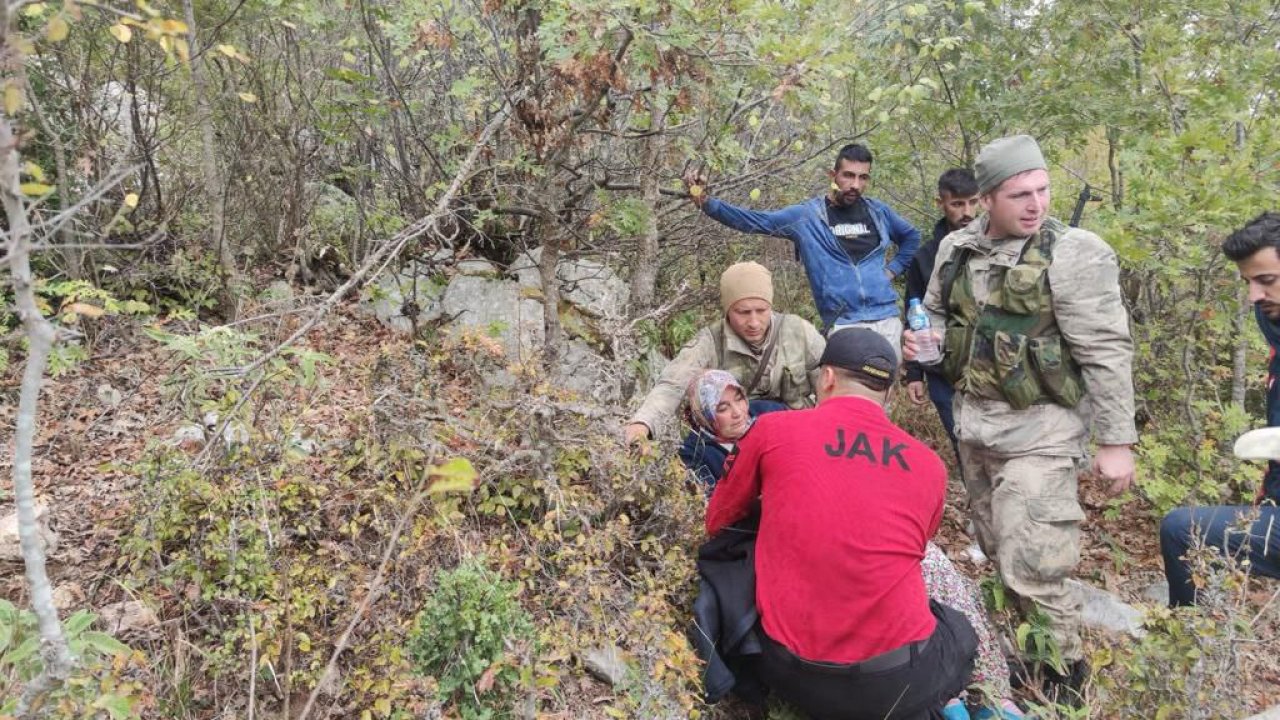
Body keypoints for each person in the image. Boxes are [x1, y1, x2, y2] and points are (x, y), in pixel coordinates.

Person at [906, 135, 1138, 696]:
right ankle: (1026, 667)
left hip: (1043, 430)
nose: (1036, 204)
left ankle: (1063, 688)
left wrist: (1116, 441)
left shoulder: (1074, 252)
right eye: (1019, 194)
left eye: (1042, 189)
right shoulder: (956, 249)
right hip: (975, 426)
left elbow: (1106, 349)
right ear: (986, 199)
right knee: (999, 553)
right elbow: (935, 315)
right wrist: (924, 347)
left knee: (1035, 563)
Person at [706, 328, 978, 720]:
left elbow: (718, 519)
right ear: (888, 393)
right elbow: (916, 547)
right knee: (959, 631)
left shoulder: (773, 430)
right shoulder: (930, 466)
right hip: (899, 679)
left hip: (792, 673)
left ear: (828, 377)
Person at [685, 144, 920, 354]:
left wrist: (892, 270)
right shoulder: (807, 217)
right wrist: (705, 201)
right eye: (848, 176)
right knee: (849, 398)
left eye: (863, 178)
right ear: (833, 175)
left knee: (882, 400)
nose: (855, 185)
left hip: (887, 320)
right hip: (844, 323)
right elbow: (754, 221)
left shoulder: (878, 212)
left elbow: (912, 236)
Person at [1161, 212, 1280, 606]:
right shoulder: (1272, 316)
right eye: (1248, 282)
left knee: (1182, 529)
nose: (1254, 296)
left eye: (1266, 281)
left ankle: (1187, 640)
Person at [623, 262, 824, 445]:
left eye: (761, 311)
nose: (754, 322)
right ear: (727, 310)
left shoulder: (800, 331)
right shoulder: (709, 341)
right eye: (743, 312)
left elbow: (833, 384)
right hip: (738, 442)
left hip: (800, 433)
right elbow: (672, 384)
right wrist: (643, 424)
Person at [903, 168, 981, 452]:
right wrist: (914, 374)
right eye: (957, 204)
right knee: (963, 444)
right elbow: (913, 312)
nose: (967, 212)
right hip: (942, 370)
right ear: (941, 203)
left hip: (990, 366)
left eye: (973, 202)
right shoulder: (925, 258)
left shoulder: (998, 247)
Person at [677, 369, 786, 492]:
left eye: (739, 399)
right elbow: (713, 503)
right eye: (723, 408)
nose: (738, 413)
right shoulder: (694, 453)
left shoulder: (770, 411)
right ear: (706, 415)